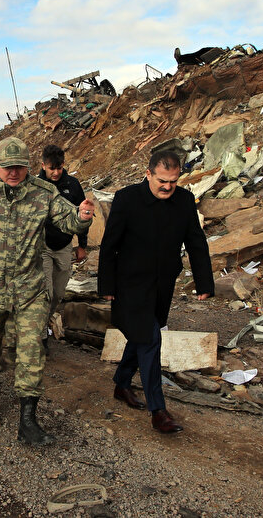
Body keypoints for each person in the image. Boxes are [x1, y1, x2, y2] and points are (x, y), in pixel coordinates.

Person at [0, 136, 94, 446]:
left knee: (31, 351)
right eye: (7, 167)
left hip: (29, 290)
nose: (13, 173)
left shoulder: (43, 193)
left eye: (19, 167)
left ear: (29, 167)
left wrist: (82, 218)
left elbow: (66, 219)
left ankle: (28, 419)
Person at [98, 150, 214, 434]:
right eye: (162, 180)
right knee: (150, 340)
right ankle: (158, 410)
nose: (167, 187)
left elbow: (196, 243)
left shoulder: (185, 201)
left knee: (141, 337)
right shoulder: (127, 199)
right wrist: (107, 286)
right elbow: (109, 245)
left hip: (162, 284)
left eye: (173, 181)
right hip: (130, 284)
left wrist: (204, 282)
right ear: (148, 174)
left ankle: (122, 384)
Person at [39, 144, 88, 350]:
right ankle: (40, 337)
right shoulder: (36, 186)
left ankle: (44, 321)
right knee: (45, 292)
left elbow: (82, 215)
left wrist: (81, 245)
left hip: (64, 246)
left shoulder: (73, 184)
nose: (56, 172)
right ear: (43, 165)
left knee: (59, 293)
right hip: (41, 248)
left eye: (59, 168)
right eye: (52, 168)